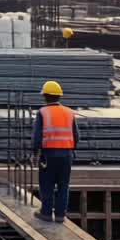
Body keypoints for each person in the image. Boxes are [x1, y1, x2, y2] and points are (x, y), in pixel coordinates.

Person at [32, 80, 78, 223]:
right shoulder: (69, 112)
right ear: (59, 96)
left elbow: (37, 137)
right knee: (63, 185)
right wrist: (68, 148)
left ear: (45, 96)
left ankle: (46, 213)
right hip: (66, 155)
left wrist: (35, 154)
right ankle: (60, 215)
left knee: (47, 184)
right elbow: (77, 136)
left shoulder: (43, 112)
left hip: (49, 155)